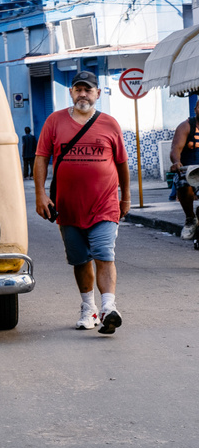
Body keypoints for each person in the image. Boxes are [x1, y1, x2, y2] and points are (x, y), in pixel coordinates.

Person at [33, 71, 130, 334]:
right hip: (68, 206)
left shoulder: (110, 124)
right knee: (79, 260)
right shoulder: (54, 121)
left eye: (88, 90)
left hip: (104, 204)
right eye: (78, 89)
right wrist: (40, 193)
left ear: (98, 93)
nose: (83, 94)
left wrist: (126, 197)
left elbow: (121, 163)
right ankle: (89, 308)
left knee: (103, 253)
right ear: (71, 93)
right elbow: (41, 157)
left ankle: (109, 307)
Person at [168, 98, 199, 240]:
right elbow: (176, 148)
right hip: (190, 171)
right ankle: (190, 219)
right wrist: (176, 162)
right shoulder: (186, 126)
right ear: (195, 109)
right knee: (182, 183)